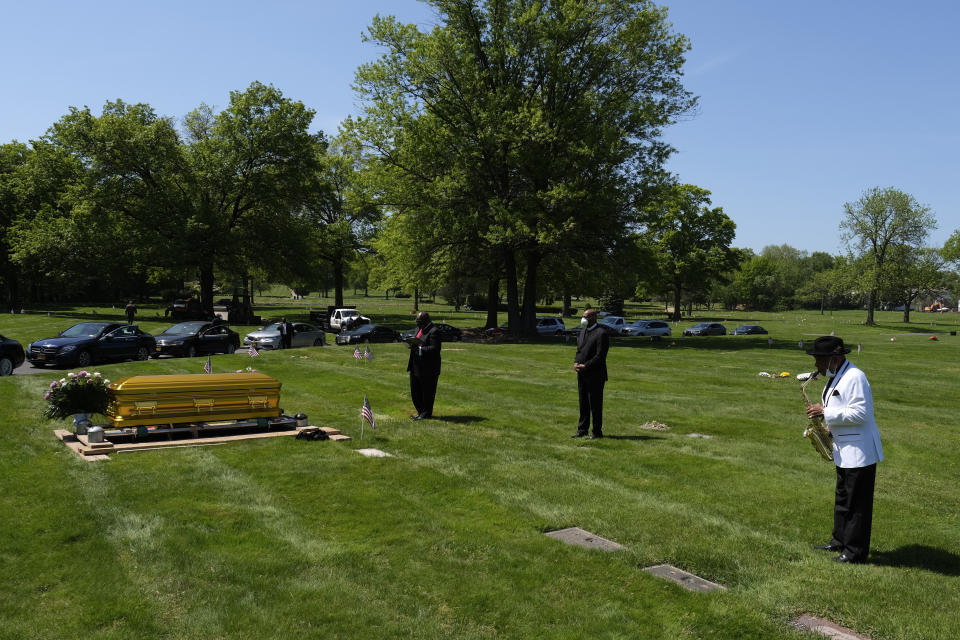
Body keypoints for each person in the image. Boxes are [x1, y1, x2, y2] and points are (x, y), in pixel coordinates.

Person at [805, 335, 884, 564]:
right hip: (844, 450)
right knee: (842, 499)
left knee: (856, 504)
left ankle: (854, 552)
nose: (816, 365)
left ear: (835, 358)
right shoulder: (835, 376)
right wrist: (828, 428)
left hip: (860, 452)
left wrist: (826, 413)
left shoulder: (855, 377)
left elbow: (862, 414)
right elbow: (842, 407)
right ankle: (838, 541)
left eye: (819, 359)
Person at [573, 308, 609, 439]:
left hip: (595, 375)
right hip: (582, 374)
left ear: (593, 317)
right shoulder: (582, 332)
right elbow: (579, 351)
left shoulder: (601, 333)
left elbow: (600, 356)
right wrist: (576, 362)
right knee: (583, 403)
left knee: (595, 405)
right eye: (583, 316)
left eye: (586, 316)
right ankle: (582, 430)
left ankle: (597, 432)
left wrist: (586, 366)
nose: (583, 319)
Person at [406, 311, 441, 420]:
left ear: (425, 321)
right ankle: (420, 412)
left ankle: (426, 413)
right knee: (415, 391)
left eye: (419, 321)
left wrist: (420, 349)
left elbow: (435, 349)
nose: (417, 324)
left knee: (427, 393)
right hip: (415, 365)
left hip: (428, 368)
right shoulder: (419, 329)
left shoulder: (434, 331)